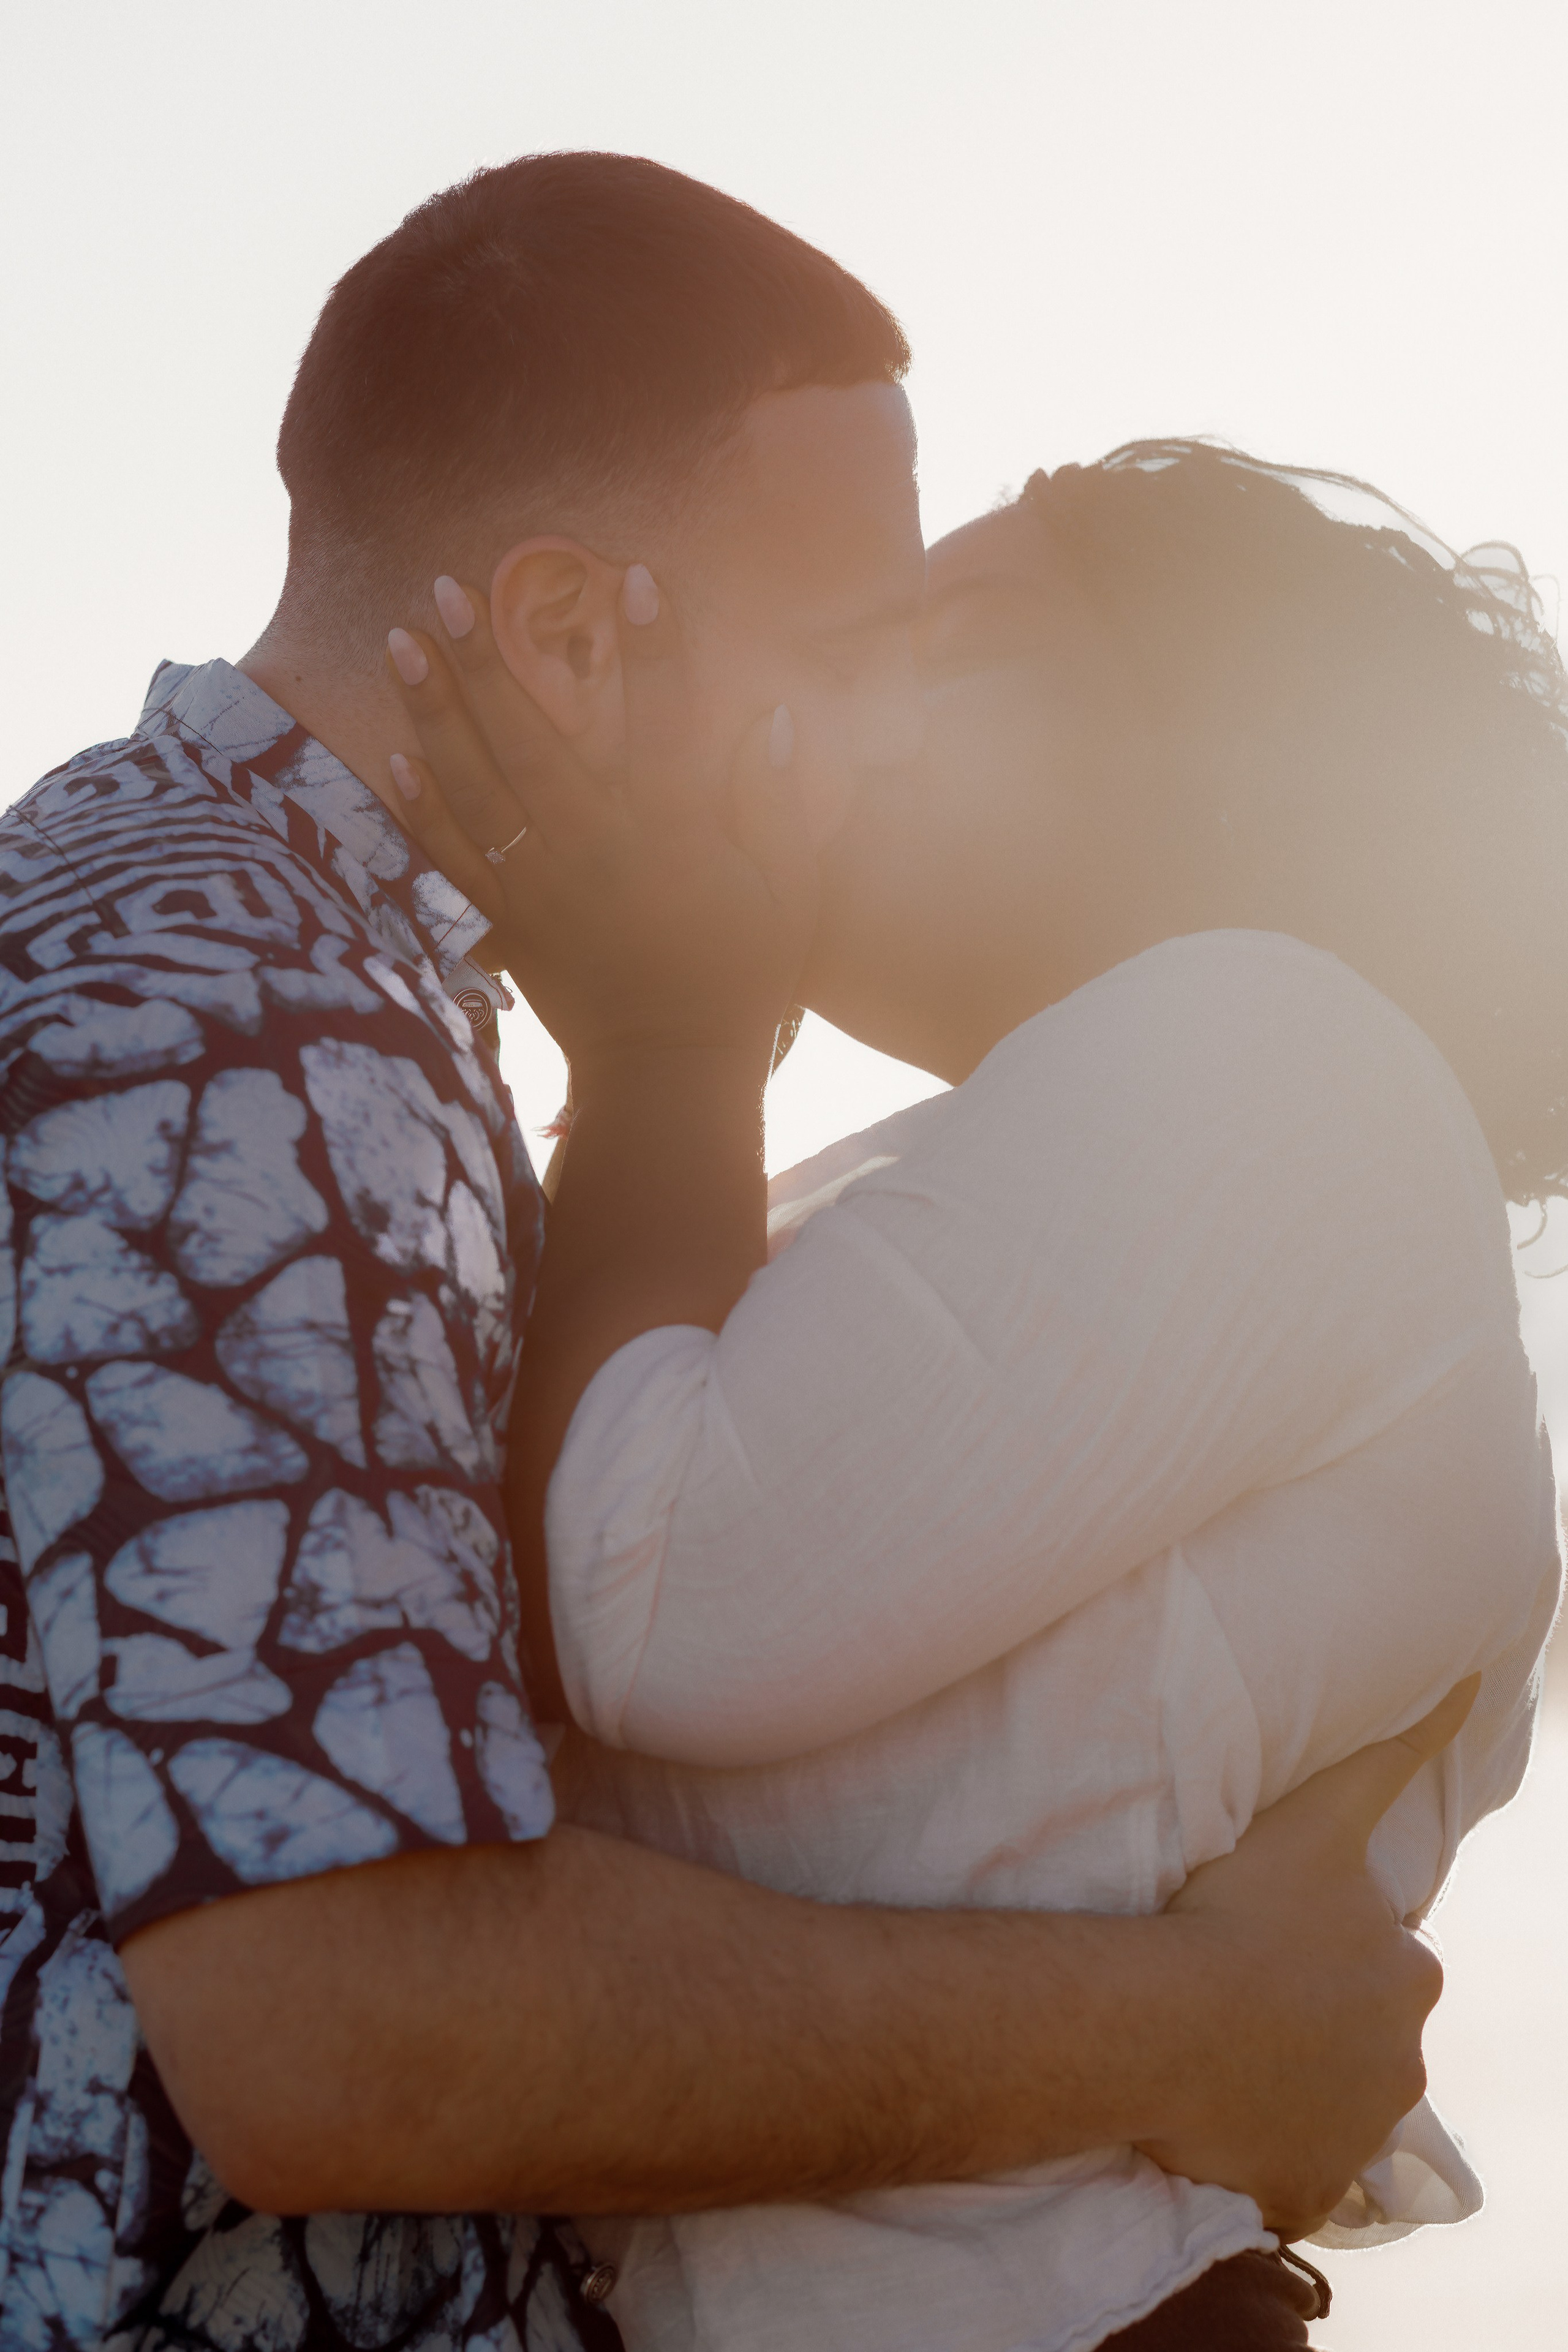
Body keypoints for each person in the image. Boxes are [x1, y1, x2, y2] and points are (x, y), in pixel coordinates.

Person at [1, 156, 1449, 2352]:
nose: (860, 735)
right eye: (847, 646)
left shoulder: (287, 989)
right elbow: (347, 2030)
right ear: (575, 629)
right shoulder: (252, 1029)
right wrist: (1197, 2038)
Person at [383, 442, 1565, 2351]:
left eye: (951, 634)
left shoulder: (1284, 1061)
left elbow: (649, 1592)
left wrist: (674, 1026)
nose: (834, 692)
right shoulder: (1024, 1179)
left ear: (1218, 746)